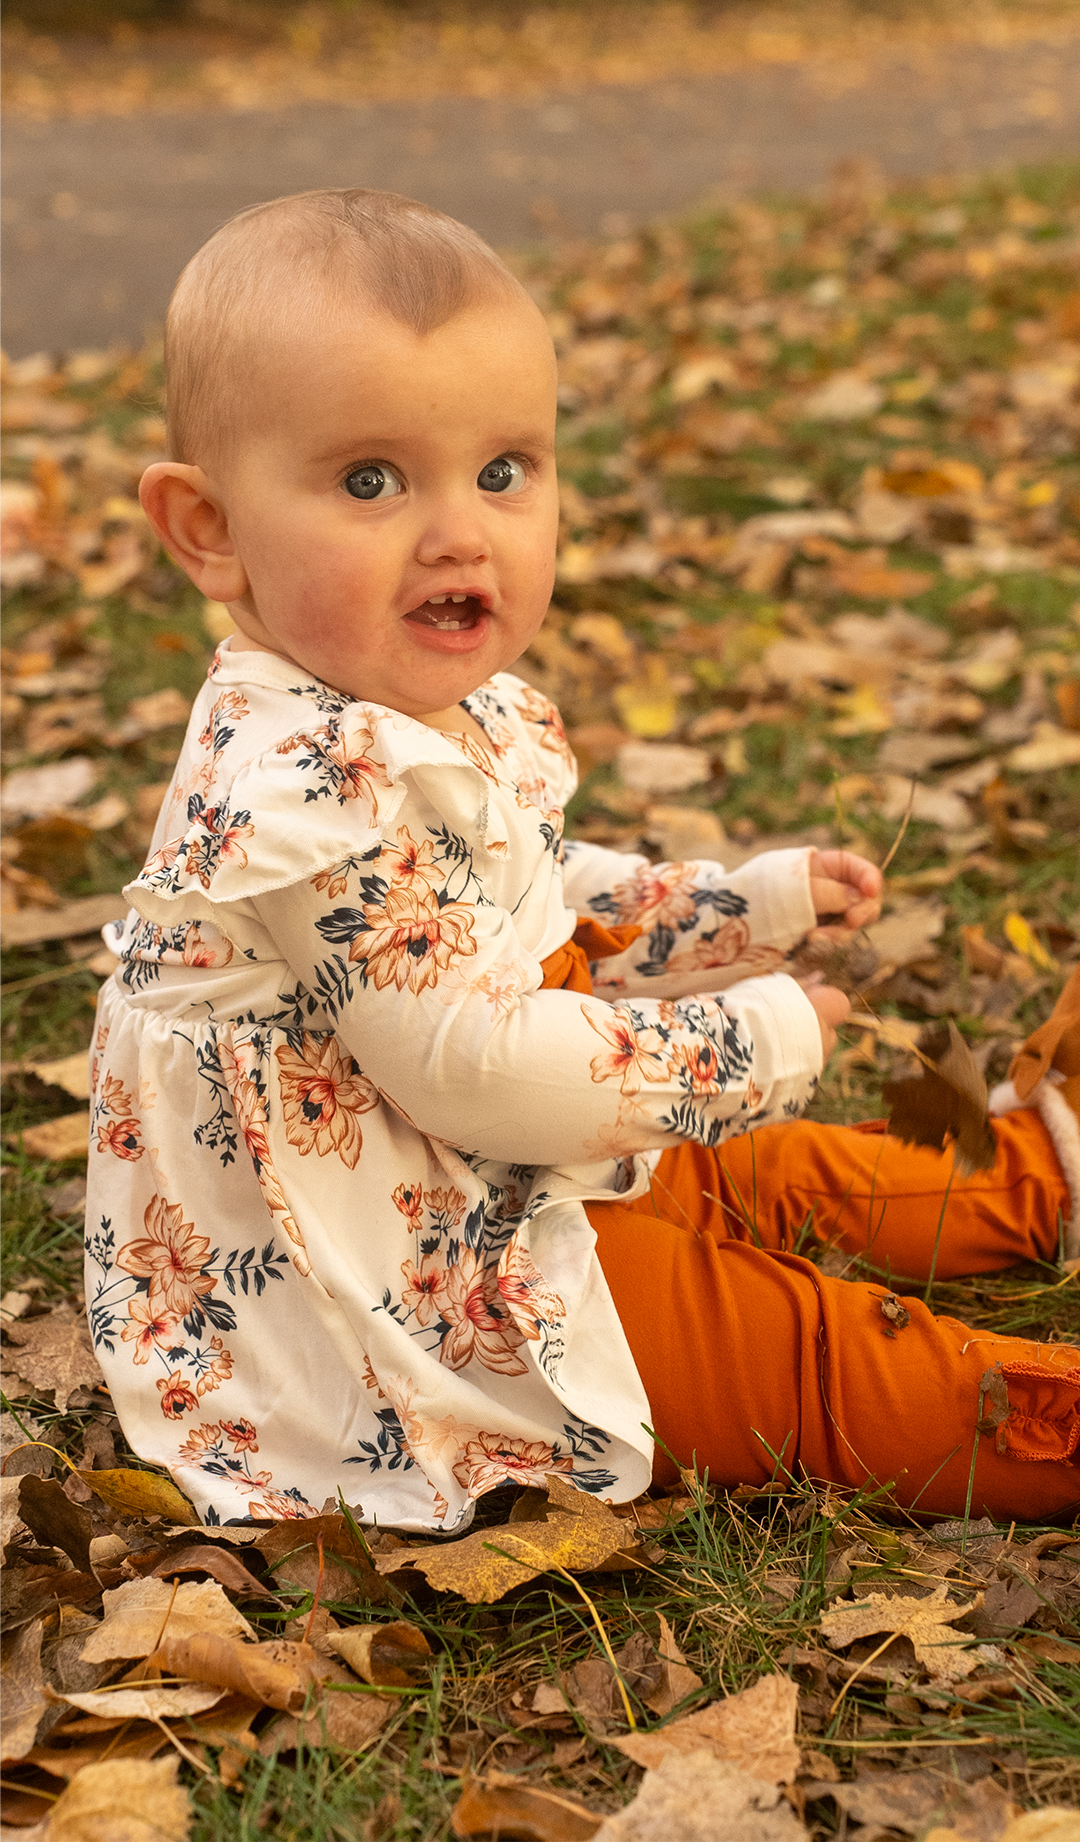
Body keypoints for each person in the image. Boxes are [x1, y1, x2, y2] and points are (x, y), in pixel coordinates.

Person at [84, 189, 1079, 1532]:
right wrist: (745, 1039)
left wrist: (729, 907)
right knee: (791, 1346)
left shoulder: (408, 708)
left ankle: (1035, 1179)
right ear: (208, 528)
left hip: (491, 1166)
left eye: (504, 472)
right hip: (410, 1266)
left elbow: (520, 892)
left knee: (754, 1176)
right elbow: (473, 1069)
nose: (459, 532)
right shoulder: (302, 789)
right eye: (371, 481)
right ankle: (1039, 1427)